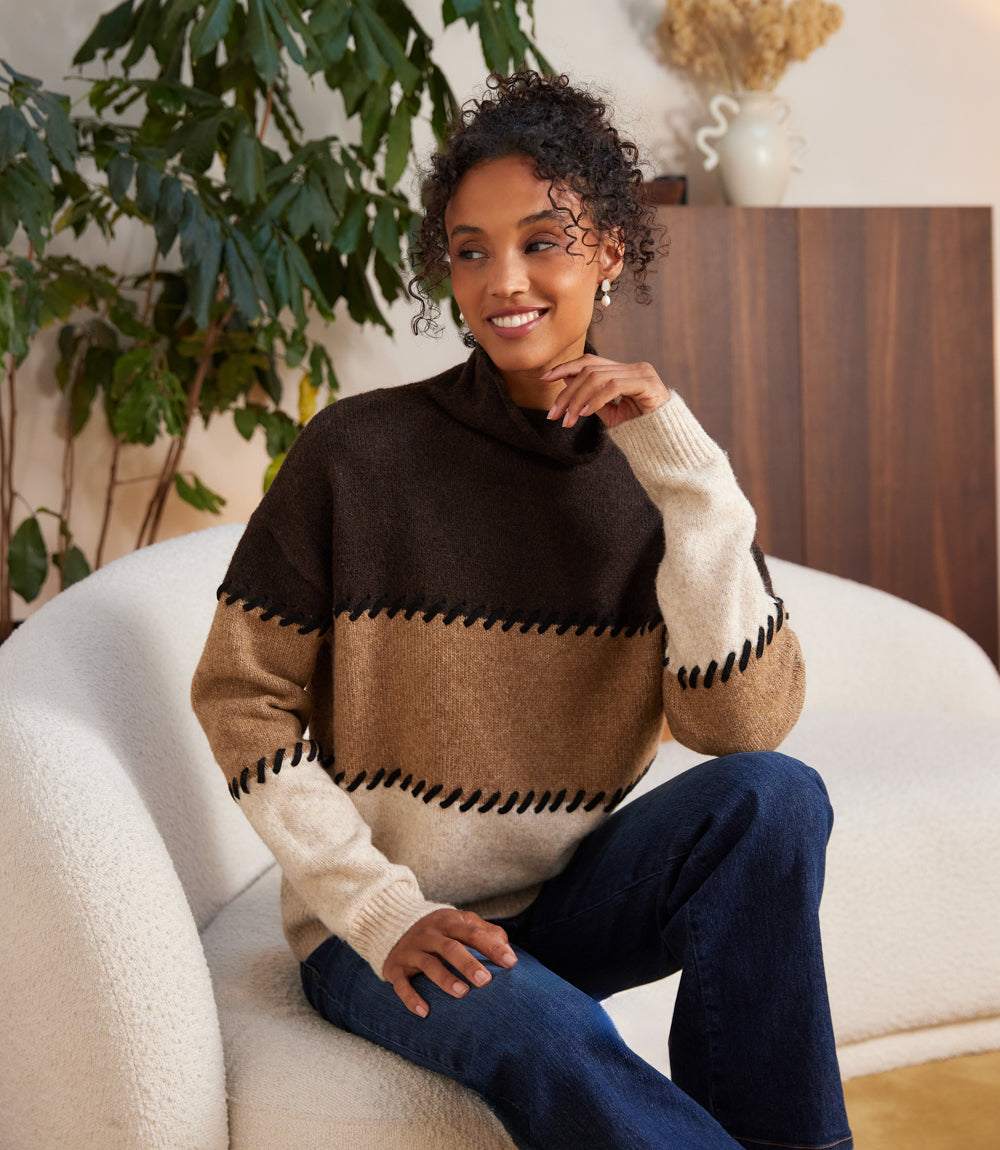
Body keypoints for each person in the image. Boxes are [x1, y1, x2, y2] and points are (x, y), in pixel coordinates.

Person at [190, 68, 853, 1150]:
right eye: (470, 248)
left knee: (775, 799)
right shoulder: (357, 456)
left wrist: (684, 469)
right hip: (387, 928)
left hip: (568, 902)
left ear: (608, 252)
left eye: (544, 240)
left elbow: (739, 730)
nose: (505, 279)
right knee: (556, 1039)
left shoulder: (651, 470)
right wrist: (374, 907)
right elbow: (240, 695)